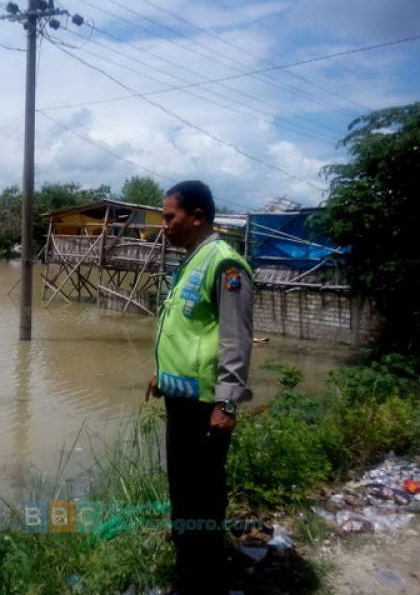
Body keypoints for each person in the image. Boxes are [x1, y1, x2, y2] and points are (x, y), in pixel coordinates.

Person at [145, 180, 253, 595]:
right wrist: (160, 373)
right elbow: (188, 331)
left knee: (202, 496)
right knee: (184, 492)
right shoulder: (193, 259)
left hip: (207, 406)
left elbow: (235, 340)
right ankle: (190, 573)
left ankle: (206, 579)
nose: (164, 225)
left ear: (197, 217)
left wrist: (227, 405)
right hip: (182, 399)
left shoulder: (225, 265)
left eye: (169, 217)